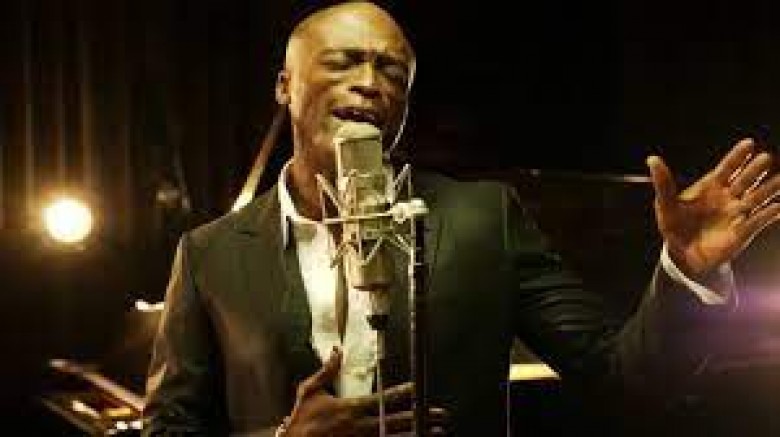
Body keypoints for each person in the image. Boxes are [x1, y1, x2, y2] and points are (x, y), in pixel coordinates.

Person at [142, 2, 780, 436]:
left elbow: (625, 383)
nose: (371, 82)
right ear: (285, 85)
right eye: (343, 61)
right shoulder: (208, 254)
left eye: (392, 70)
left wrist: (689, 272)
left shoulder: (484, 218)